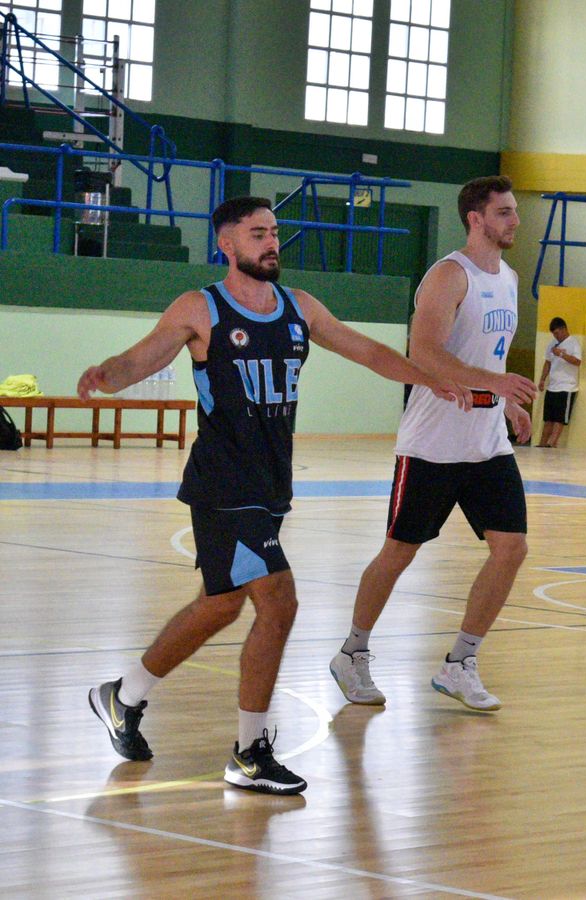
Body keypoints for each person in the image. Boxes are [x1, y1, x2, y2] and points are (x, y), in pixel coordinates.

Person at [81, 196, 467, 795]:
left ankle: (123, 695)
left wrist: (432, 377)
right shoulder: (200, 308)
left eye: (275, 232)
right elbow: (140, 358)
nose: (271, 243)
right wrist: (107, 374)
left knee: (220, 605)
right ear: (226, 245)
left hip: (269, 486)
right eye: (257, 233)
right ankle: (250, 751)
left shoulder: (299, 308)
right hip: (221, 482)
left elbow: (367, 351)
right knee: (279, 603)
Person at [329, 175, 539, 713]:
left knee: (511, 548)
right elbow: (423, 352)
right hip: (432, 444)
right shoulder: (449, 276)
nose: (515, 220)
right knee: (399, 552)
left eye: (514, 212)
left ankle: (459, 663)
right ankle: (352, 653)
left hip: (486, 443)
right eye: (505, 212)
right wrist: (494, 384)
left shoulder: (510, 279)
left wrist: (506, 402)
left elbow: (485, 361)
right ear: (476, 219)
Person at [537, 317, 581, 447]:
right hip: (552, 387)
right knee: (548, 418)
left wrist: (561, 355)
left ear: (563, 329)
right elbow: (547, 362)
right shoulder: (552, 344)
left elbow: (577, 361)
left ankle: (552, 443)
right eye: (553, 334)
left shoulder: (574, 343)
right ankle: (542, 444)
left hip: (567, 387)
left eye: (557, 333)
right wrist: (542, 379)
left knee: (559, 419)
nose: (555, 336)